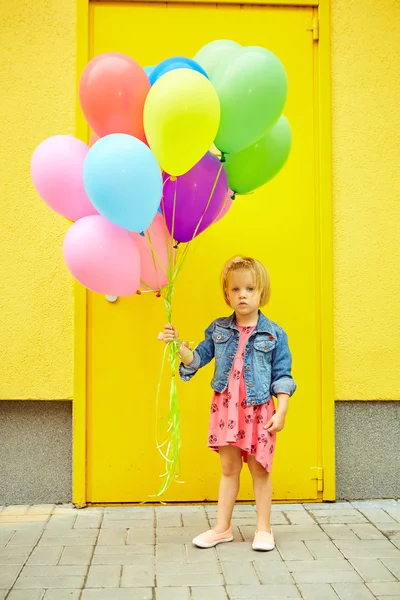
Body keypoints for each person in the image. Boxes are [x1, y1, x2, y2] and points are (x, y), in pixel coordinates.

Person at [159, 256, 296, 551]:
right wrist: (181, 350)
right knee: (229, 468)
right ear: (227, 294)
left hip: (259, 411)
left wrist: (282, 410)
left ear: (262, 293)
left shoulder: (275, 333)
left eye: (249, 288)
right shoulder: (218, 330)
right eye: (235, 290)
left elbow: (283, 376)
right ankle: (222, 528)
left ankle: (263, 529)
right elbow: (197, 359)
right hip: (227, 410)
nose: (242, 295)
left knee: (260, 469)